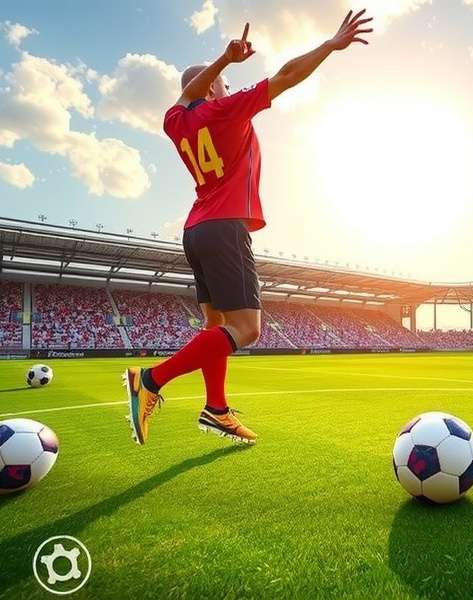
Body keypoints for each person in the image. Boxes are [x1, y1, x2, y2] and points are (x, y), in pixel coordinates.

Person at [123, 10, 373, 446]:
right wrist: (330, 46)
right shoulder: (227, 110)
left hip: (196, 230)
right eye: (221, 84)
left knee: (214, 325)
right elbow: (288, 74)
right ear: (213, 90)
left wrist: (221, 61)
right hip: (223, 228)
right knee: (247, 329)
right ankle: (150, 379)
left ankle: (216, 409)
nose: (229, 87)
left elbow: (185, 97)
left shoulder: (174, 121)